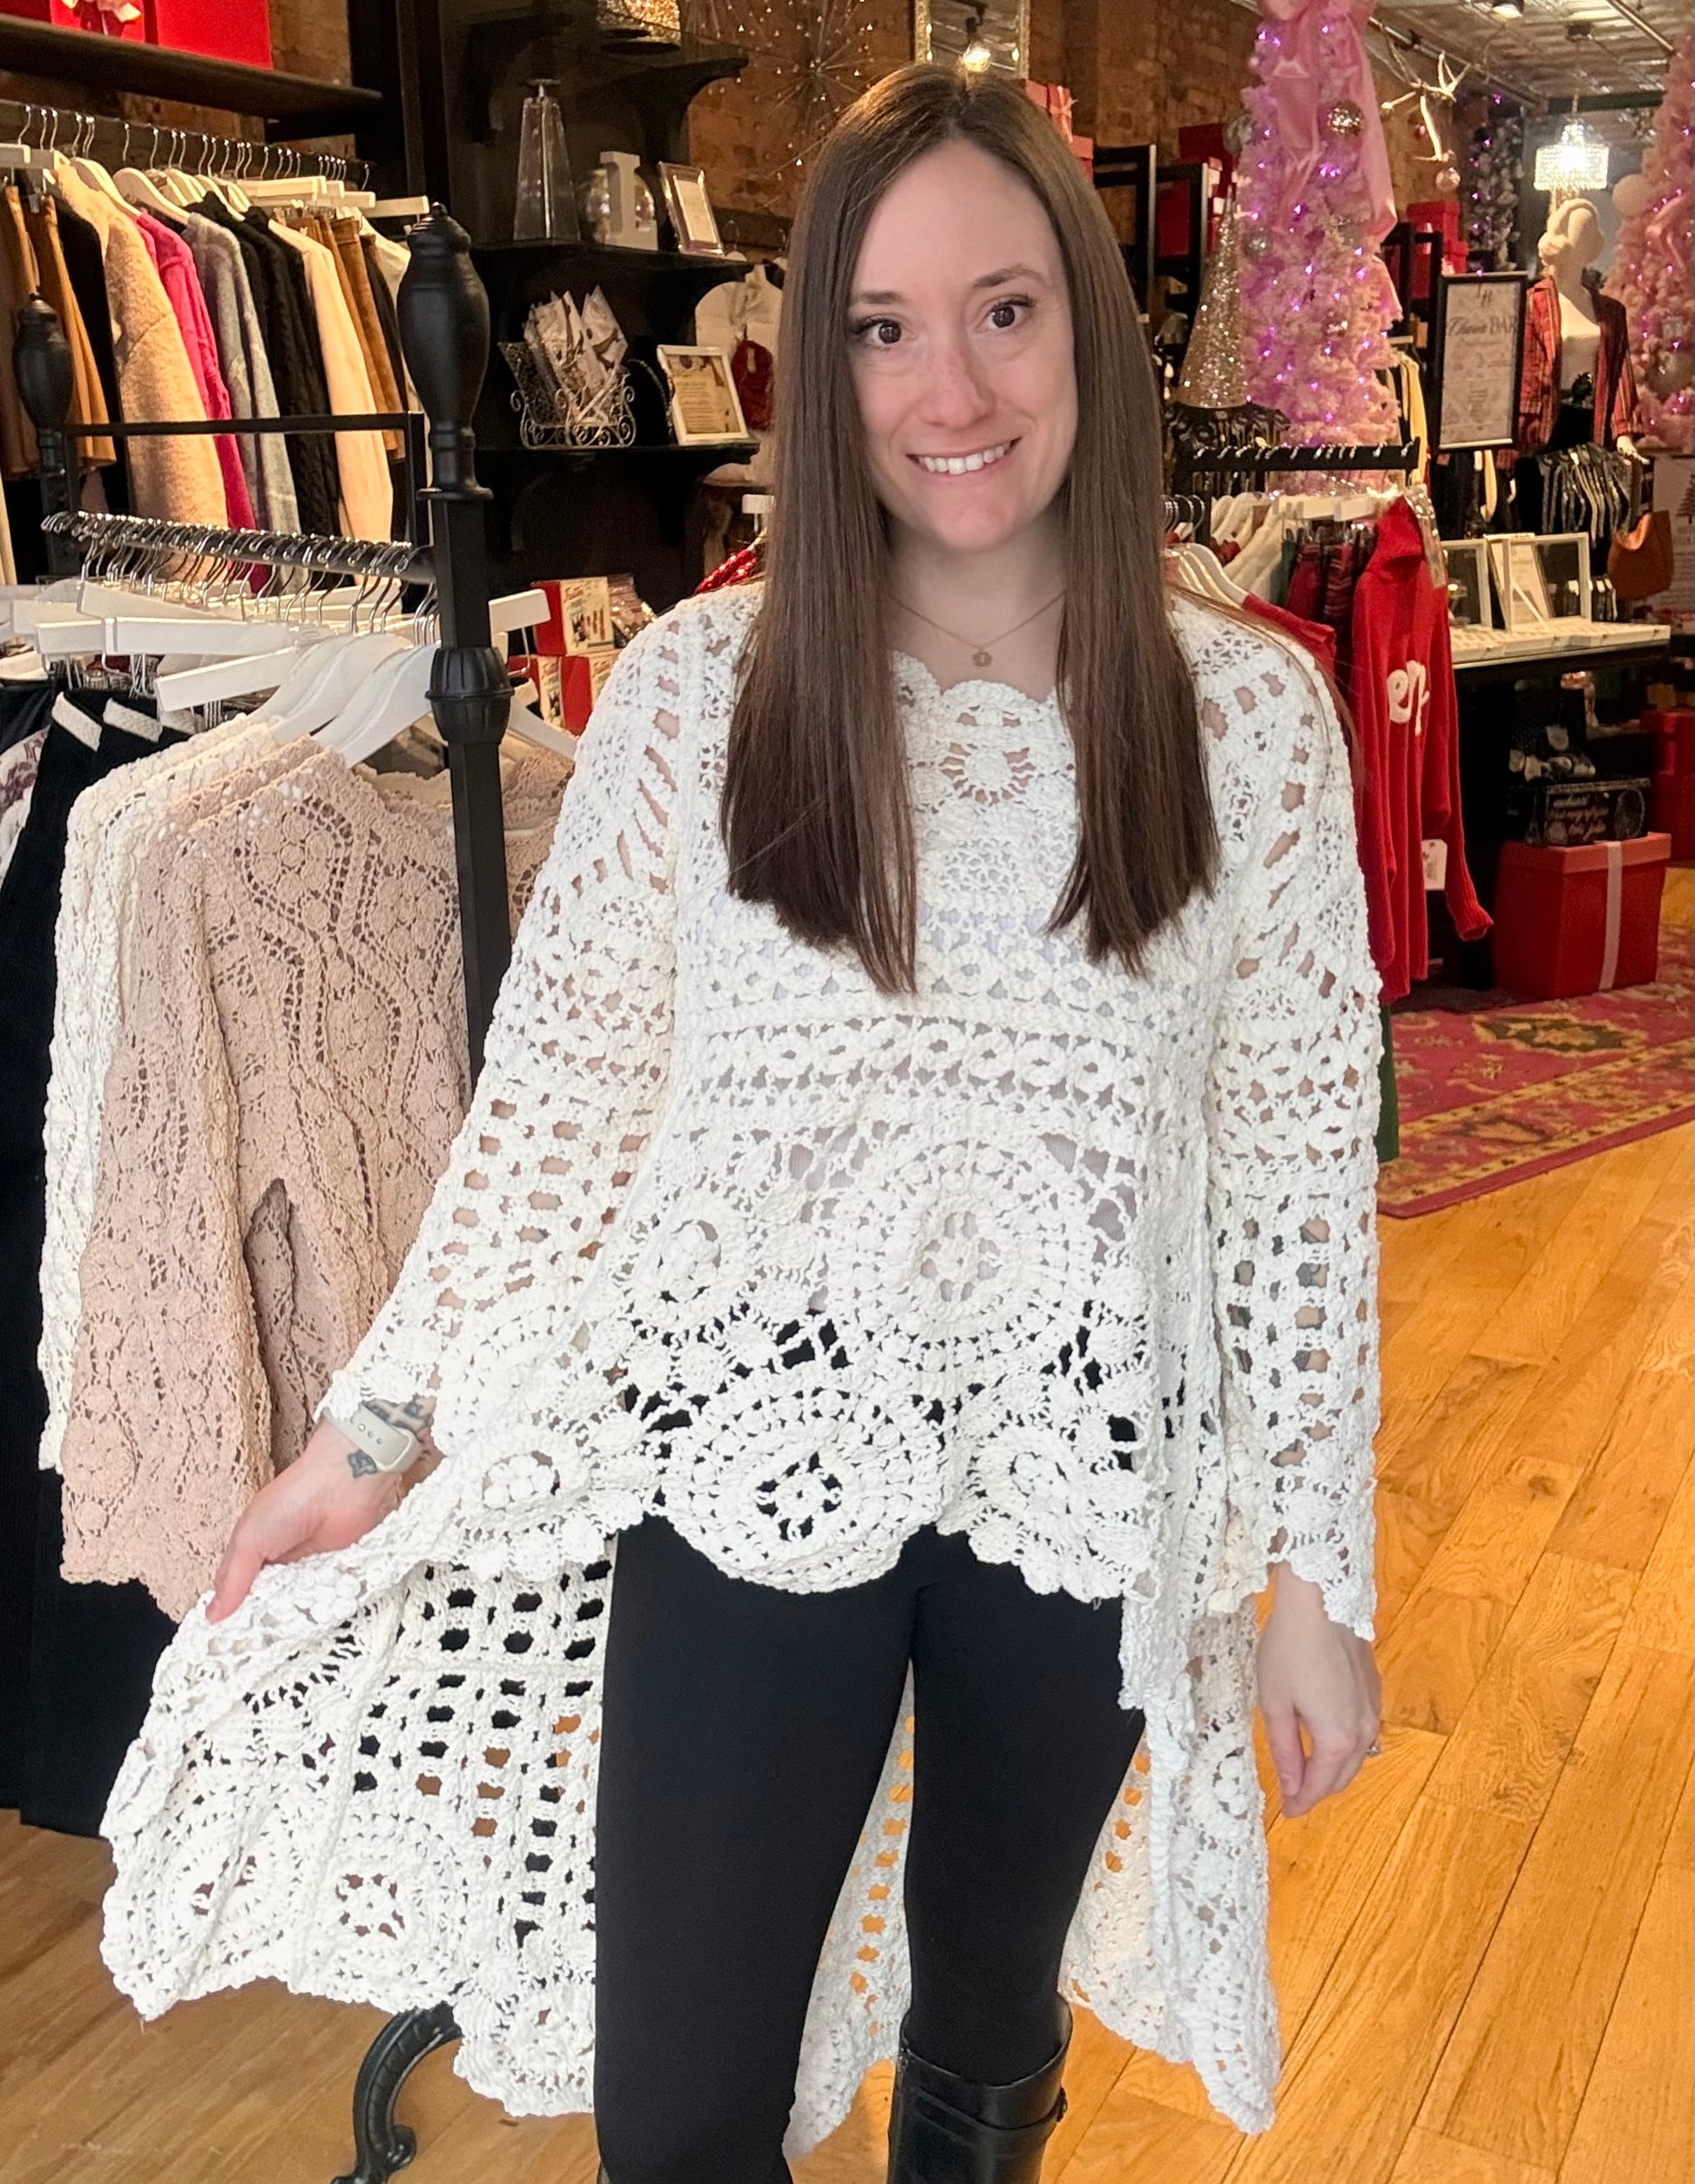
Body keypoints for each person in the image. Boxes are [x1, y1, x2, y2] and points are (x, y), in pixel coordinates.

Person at [111, 62, 1382, 2184]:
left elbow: (1287, 1178)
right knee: (682, 2096)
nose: (945, 387)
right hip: (747, 1451)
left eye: (1001, 310)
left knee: (990, 2026)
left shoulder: (1242, 715)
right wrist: (371, 1432)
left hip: (1076, 1481)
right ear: (821, 371)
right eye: (881, 329)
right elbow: (563, 1106)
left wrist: (1317, 1577)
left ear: (1083, 318)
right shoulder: (707, 696)